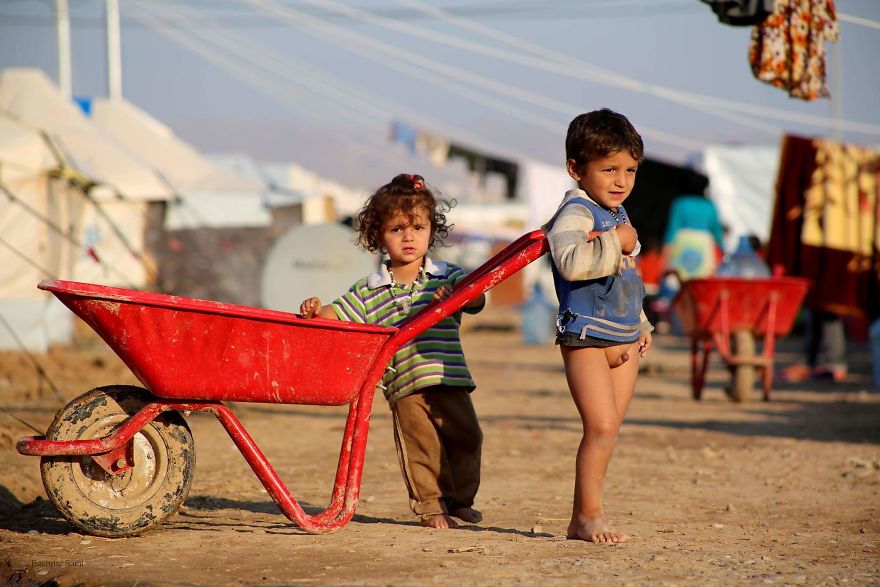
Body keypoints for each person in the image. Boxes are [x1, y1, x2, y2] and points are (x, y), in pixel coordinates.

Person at [299, 173, 486, 529]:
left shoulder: (447, 275)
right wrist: (316, 310)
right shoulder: (370, 289)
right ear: (379, 236)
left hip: (448, 374)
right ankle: (432, 506)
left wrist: (460, 294)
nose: (409, 236)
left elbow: (477, 298)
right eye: (397, 229)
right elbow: (337, 313)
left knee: (468, 436)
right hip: (405, 383)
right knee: (422, 446)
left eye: (417, 227)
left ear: (432, 229)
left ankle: (462, 500)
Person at [543, 109, 653, 543]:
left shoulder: (617, 211)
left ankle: (584, 515)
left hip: (624, 339)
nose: (621, 180)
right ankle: (588, 516)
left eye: (629, 170)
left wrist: (642, 323)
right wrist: (618, 240)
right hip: (586, 336)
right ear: (576, 168)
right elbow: (569, 262)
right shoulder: (576, 210)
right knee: (601, 426)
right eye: (608, 169)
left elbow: (625, 276)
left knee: (608, 433)